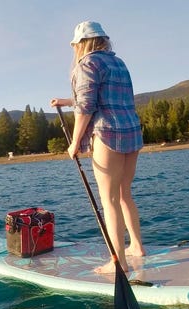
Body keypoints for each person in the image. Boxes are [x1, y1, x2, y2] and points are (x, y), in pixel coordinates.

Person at [51, 20, 145, 274]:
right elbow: (104, 97)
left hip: (107, 134)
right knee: (125, 193)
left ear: (81, 43)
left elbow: (86, 107)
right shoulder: (118, 62)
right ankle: (136, 247)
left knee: (109, 199)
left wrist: (74, 142)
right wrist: (66, 101)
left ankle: (119, 264)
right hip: (131, 131)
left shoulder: (87, 64)